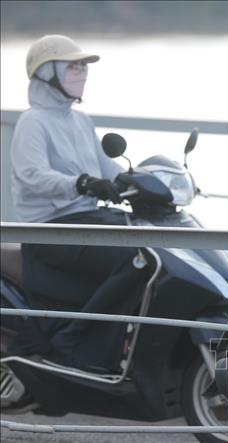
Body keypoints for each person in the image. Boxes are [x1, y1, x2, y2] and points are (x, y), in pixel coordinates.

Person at [10, 34, 146, 370]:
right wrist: (81, 183)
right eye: (73, 67)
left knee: (155, 243)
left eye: (84, 67)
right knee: (135, 257)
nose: (82, 73)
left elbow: (107, 169)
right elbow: (33, 175)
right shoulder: (33, 122)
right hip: (50, 229)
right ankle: (75, 337)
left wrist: (141, 179)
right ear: (47, 72)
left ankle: (130, 343)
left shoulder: (80, 120)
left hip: (87, 218)